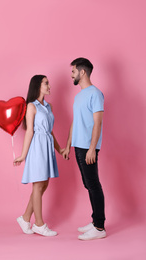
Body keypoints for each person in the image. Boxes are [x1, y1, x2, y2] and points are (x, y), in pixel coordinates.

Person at [14, 75, 64, 237]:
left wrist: (60, 149)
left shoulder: (49, 107)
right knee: (38, 185)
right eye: (46, 83)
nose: (49, 85)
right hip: (37, 147)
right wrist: (23, 155)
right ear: (38, 86)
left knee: (44, 185)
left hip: (48, 146)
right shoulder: (31, 106)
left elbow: (50, 132)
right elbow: (29, 131)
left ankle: (25, 218)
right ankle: (39, 224)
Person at [63, 58, 106, 240]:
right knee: (88, 184)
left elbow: (98, 122)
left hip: (87, 148)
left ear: (82, 72)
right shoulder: (78, 95)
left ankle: (99, 227)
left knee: (93, 185)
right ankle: (95, 220)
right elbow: (75, 122)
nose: (71, 75)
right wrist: (67, 145)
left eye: (73, 71)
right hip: (77, 146)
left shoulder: (95, 93)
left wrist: (91, 148)